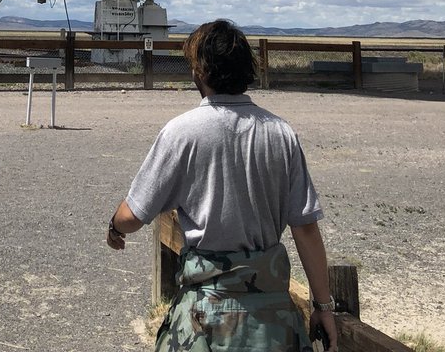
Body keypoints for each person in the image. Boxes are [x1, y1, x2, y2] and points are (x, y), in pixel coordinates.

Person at [106, 19, 339, 352]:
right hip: (272, 325)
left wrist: (114, 226)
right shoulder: (281, 133)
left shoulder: (181, 133)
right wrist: (323, 306)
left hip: (203, 323)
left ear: (200, 71)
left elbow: (132, 216)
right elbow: (306, 229)